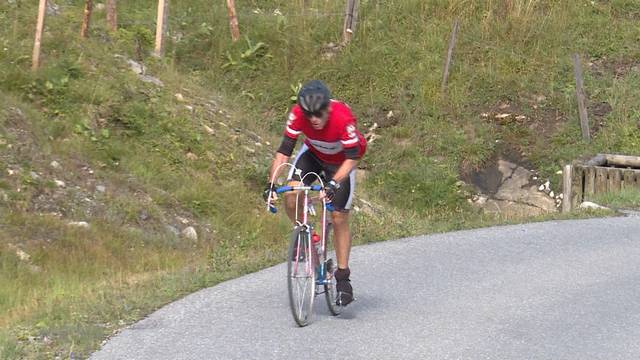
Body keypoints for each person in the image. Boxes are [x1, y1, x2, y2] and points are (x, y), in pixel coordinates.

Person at [264, 80, 367, 306]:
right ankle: (307, 239)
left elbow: (352, 158)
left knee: (339, 216)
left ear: (328, 108)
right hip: (313, 154)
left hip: (342, 162)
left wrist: (333, 183)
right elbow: (284, 152)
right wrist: (271, 184)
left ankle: (342, 279)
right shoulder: (299, 114)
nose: (314, 119)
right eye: (309, 114)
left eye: (319, 114)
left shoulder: (342, 118)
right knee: (291, 194)